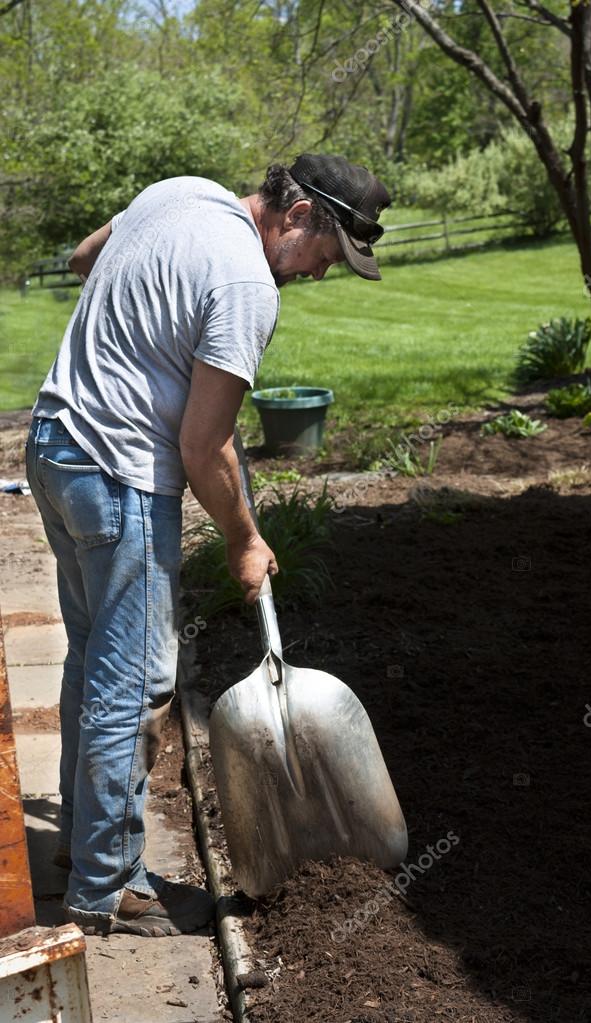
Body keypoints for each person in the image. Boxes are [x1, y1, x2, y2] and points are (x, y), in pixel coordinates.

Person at [25, 154, 391, 937]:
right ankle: (107, 883)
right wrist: (244, 539)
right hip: (120, 473)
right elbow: (205, 443)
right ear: (298, 217)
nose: (321, 276)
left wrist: (139, 330)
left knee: (92, 657)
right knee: (136, 681)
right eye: (326, 257)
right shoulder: (248, 285)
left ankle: (78, 851)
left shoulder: (183, 193)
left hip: (55, 445)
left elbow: (86, 257)